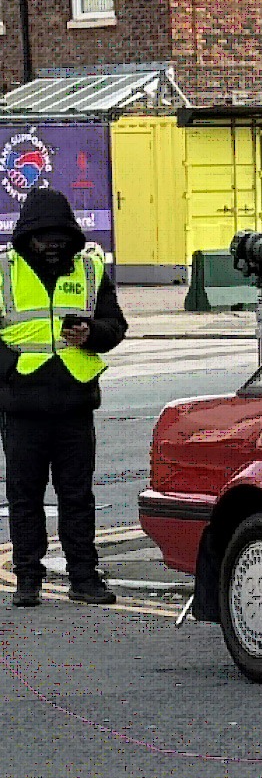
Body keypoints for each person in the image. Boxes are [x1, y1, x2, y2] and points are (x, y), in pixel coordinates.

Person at [0, 187, 127, 608]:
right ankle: (28, 578)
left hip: (74, 405)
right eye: (44, 239)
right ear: (27, 237)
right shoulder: (4, 271)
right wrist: (10, 374)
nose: (52, 246)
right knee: (25, 497)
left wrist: (93, 334)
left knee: (76, 496)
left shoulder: (89, 269)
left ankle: (83, 577)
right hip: (22, 409)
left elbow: (115, 325)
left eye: (59, 239)